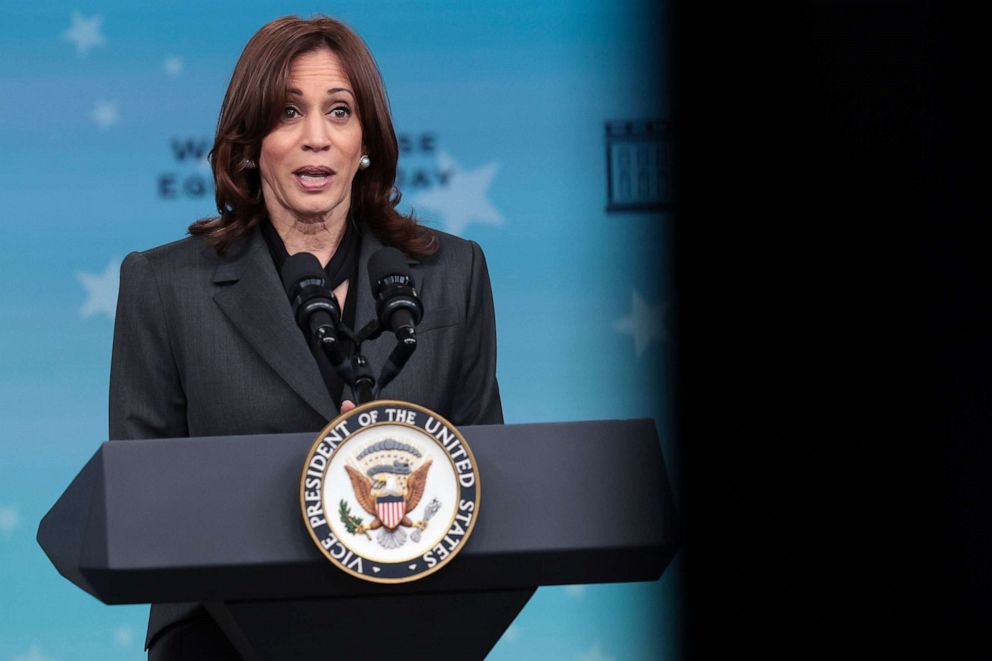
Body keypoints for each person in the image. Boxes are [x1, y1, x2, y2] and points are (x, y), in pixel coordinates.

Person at [109, 15, 502, 660]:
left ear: (366, 140)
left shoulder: (451, 274)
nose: (316, 138)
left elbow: (487, 473)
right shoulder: (164, 285)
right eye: (289, 112)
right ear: (248, 142)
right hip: (221, 635)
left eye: (339, 112)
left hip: (410, 622)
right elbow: (141, 502)